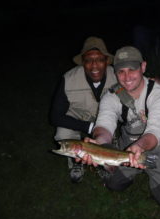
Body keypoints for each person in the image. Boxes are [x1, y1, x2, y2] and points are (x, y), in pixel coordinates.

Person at [77, 46, 160, 207]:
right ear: (115, 72)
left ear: (143, 67)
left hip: (159, 145)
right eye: (121, 71)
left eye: (132, 69)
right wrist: (99, 142)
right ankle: (134, 169)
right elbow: (104, 124)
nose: (126, 77)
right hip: (128, 148)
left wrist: (140, 146)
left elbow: (156, 130)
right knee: (113, 183)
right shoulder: (111, 96)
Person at [49, 36, 117, 183]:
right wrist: (88, 127)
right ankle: (76, 162)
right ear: (83, 62)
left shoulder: (118, 75)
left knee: (116, 137)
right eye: (88, 60)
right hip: (78, 119)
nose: (94, 66)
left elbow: (138, 83)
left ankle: (104, 162)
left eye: (99, 59)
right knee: (62, 134)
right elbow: (55, 116)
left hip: (108, 120)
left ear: (106, 60)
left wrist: (154, 82)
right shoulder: (68, 79)